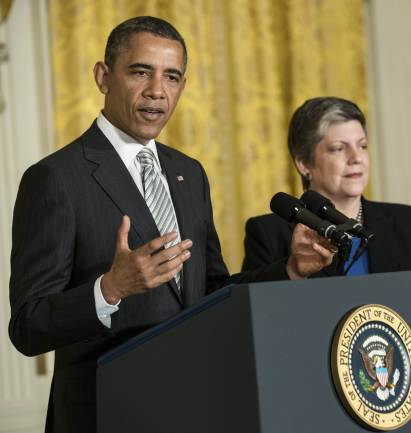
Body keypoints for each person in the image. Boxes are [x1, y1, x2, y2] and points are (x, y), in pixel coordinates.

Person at [8, 16, 332, 433]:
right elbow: (27, 327)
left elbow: (214, 294)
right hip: (105, 415)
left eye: (172, 77)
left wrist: (289, 270)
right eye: (140, 72)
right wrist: (111, 289)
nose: (157, 91)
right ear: (103, 77)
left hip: (193, 408)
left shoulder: (189, 174)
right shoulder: (55, 179)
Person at [242, 96, 411, 276]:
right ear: (303, 163)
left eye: (362, 146)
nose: (356, 158)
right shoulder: (268, 233)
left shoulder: (407, 222)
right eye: (339, 148)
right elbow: (262, 310)